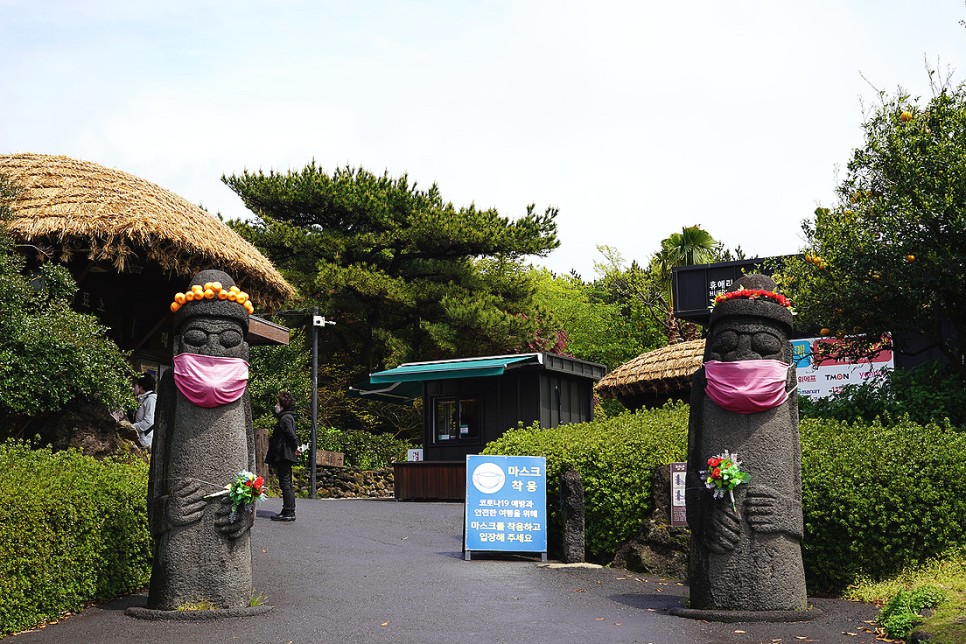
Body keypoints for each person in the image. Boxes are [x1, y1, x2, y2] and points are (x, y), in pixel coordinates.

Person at [265, 391, 298, 522]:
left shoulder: (285, 418)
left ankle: (289, 511)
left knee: (285, 483)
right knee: (286, 482)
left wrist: (296, 446)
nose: (276, 406)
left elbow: (291, 435)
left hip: (284, 454)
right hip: (286, 454)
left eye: (277, 403)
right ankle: (287, 509)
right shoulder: (288, 417)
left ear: (283, 404)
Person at [129, 372, 157, 449]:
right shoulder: (144, 398)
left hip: (146, 441)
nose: (133, 388)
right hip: (142, 439)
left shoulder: (151, 399)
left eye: (136, 385)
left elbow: (149, 422)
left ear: (142, 387)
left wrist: (132, 427)